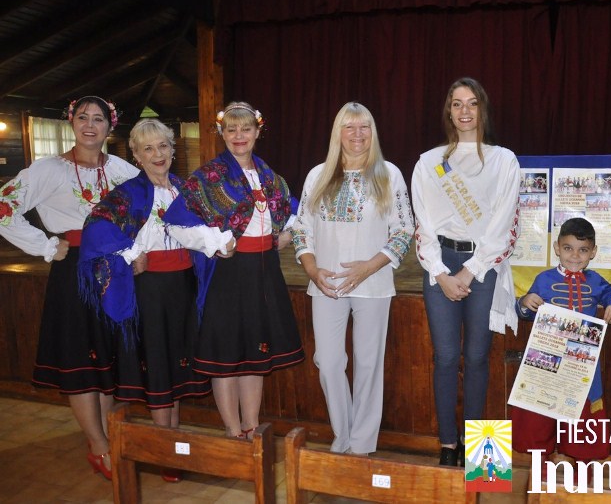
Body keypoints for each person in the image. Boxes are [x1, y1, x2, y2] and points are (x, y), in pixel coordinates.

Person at [0, 96, 139, 480]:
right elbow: (4, 208)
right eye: (83, 117)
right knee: (80, 357)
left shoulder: (123, 170)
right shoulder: (48, 170)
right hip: (74, 271)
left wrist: (137, 250)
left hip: (115, 270)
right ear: (71, 122)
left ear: (110, 126)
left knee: (108, 357)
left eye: (98, 119)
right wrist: (45, 245)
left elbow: (150, 209)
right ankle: (98, 445)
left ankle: (112, 436)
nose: (90, 125)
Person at [78, 119, 218, 482]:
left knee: (177, 363)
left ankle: (172, 444)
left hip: (184, 286)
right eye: (148, 149)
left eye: (163, 146)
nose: (158, 154)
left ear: (173, 150)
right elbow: (96, 226)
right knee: (158, 364)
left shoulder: (186, 190)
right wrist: (128, 254)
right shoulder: (128, 194)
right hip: (151, 290)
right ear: (137, 156)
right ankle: (164, 450)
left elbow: (211, 226)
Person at [163, 101, 305, 439]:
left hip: (263, 272)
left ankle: (251, 427)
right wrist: (214, 241)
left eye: (246, 129)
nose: (239, 135)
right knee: (225, 355)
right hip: (227, 273)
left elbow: (296, 211)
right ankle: (231, 430)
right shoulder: (208, 176)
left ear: (257, 131)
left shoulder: (268, 176)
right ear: (222, 134)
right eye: (232, 129)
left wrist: (288, 232)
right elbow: (176, 222)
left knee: (255, 351)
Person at [291, 102, 414, 454]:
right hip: (326, 285)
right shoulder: (318, 175)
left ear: (373, 132)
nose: (357, 134)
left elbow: (404, 230)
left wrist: (368, 267)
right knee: (328, 363)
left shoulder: (389, 174)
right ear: (338, 133)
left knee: (368, 364)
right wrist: (311, 269)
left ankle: (360, 445)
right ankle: (342, 435)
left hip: (373, 283)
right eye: (349, 127)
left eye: (364, 127)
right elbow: (301, 229)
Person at [411, 77, 520, 466]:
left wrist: (469, 272)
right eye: (457, 103)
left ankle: (481, 457)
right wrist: (441, 274)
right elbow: (423, 225)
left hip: (483, 266)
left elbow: (503, 224)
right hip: (440, 264)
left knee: (476, 357)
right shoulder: (428, 162)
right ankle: (447, 444)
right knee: (444, 357)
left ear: (482, 109)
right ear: (448, 111)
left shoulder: (504, 160)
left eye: (472, 103)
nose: (465, 111)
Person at [510, 217, 611, 475]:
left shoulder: (595, 280)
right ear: (557, 248)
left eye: (583, 250)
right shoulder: (544, 279)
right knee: (540, 415)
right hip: (547, 361)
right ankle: (542, 467)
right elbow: (524, 310)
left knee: (581, 414)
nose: (575, 256)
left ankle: (578, 467)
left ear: (593, 252)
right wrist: (526, 302)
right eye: (568, 248)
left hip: (580, 363)